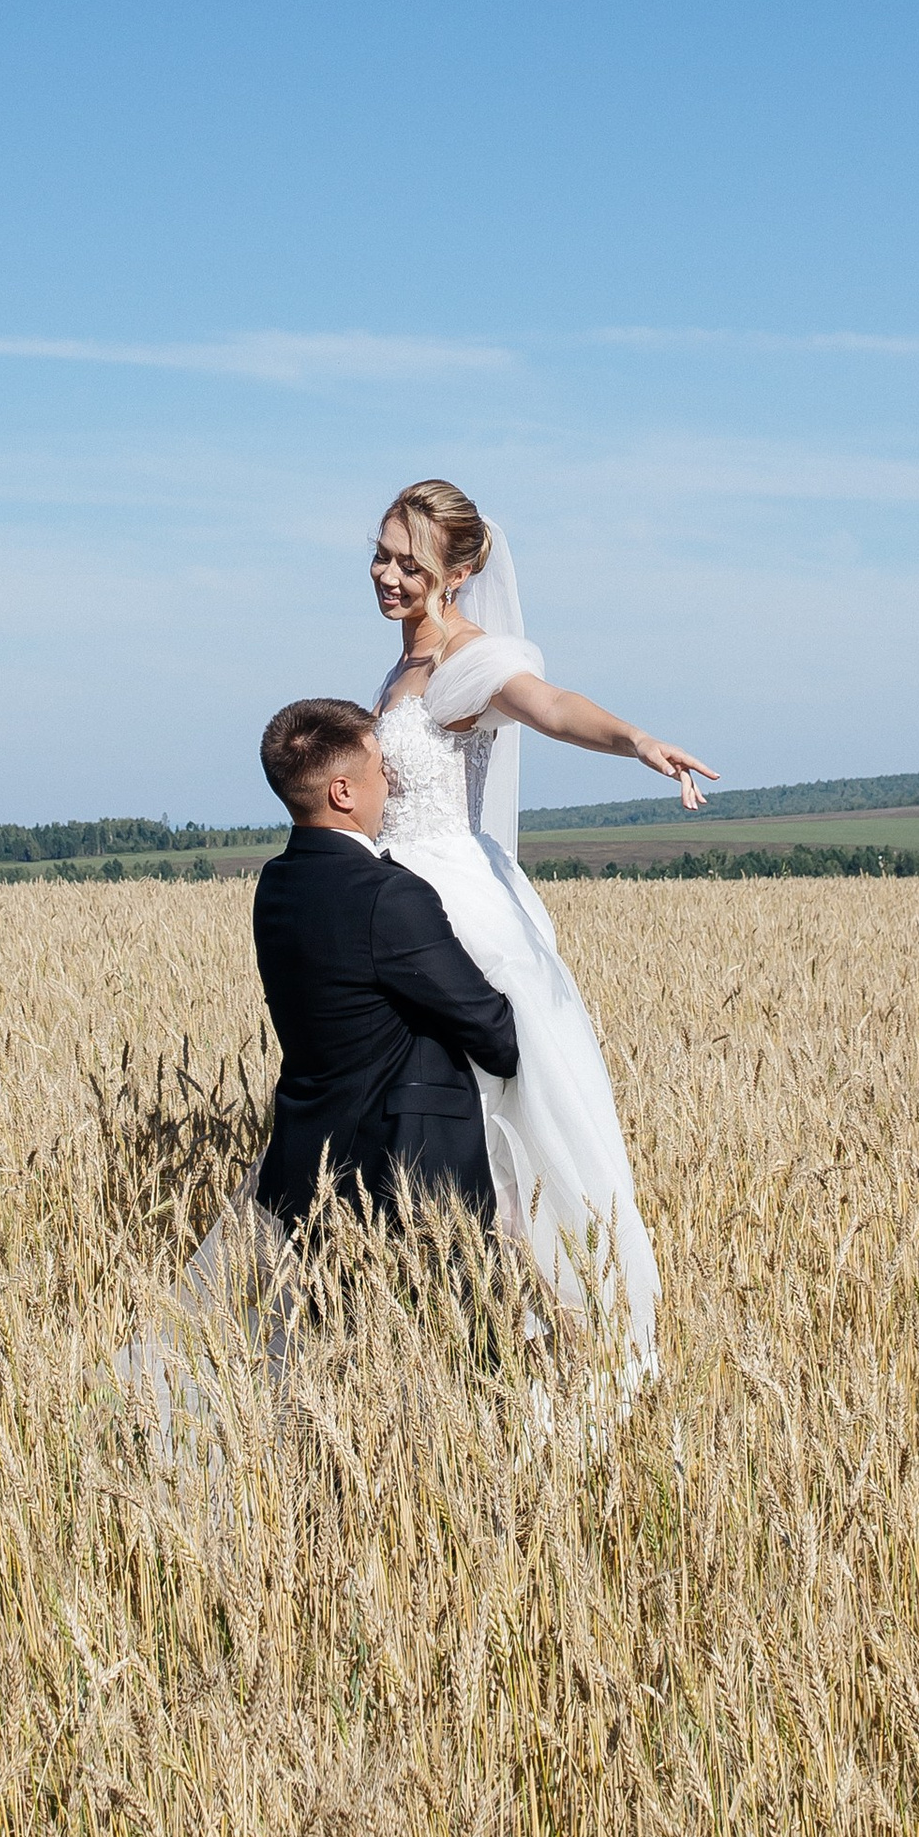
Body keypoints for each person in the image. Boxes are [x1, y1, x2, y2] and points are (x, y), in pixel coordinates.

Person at [366, 477, 712, 1372]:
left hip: (458, 909)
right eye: (381, 554)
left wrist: (634, 739)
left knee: (502, 1128)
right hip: (397, 898)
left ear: (460, 569)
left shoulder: (473, 661)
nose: (387, 575)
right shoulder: (401, 667)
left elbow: (548, 708)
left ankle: (548, 1332)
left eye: (410, 563)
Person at [246, 695, 522, 1241]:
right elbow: (497, 1037)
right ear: (342, 791)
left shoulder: (275, 883)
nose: (391, 781)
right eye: (379, 768)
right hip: (402, 1178)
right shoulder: (389, 897)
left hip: (310, 1167)